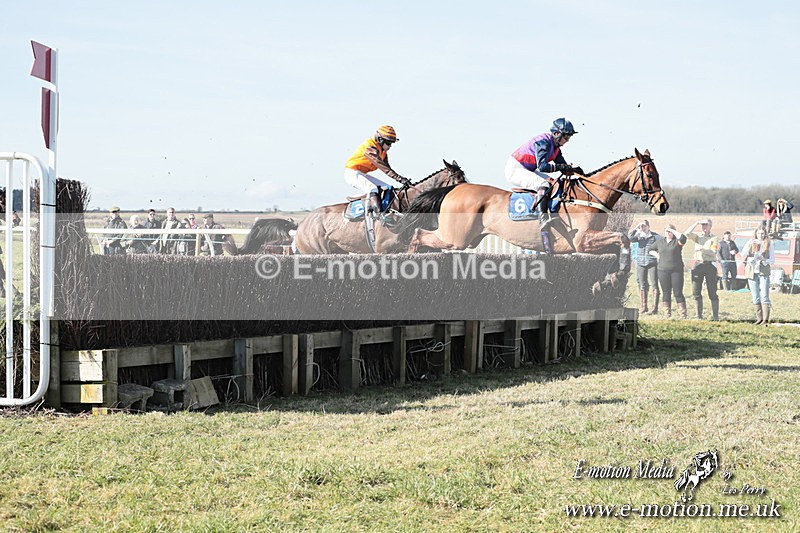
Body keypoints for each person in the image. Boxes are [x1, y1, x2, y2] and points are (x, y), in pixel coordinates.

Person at [505, 118, 584, 231]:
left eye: (569, 137)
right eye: (566, 136)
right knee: (543, 184)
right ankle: (543, 218)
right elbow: (543, 167)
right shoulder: (543, 143)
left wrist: (575, 170)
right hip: (515, 168)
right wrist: (562, 167)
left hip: (528, 168)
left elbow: (563, 167)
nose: (567, 140)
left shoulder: (556, 148)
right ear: (557, 134)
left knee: (552, 183)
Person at [344, 125, 411, 218]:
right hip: (352, 173)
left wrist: (402, 179)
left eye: (391, 143)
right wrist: (400, 179)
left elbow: (388, 168)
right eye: (388, 143)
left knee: (387, 188)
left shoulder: (383, 151)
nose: (390, 146)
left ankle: (385, 210)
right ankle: (377, 216)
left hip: (361, 173)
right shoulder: (370, 148)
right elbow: (383, 167)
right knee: (373, 189)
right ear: (380, 139)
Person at [684, 218, 720, 320]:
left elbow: (713, 251)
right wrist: (695, 223)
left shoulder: (714, 238)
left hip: (709, 265)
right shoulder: (698, 237)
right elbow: (686, 233)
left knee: (712, 292)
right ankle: (699, 316)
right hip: (698, 264)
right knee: (696, 291)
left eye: (706, 225)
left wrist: (702, 249)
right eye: (703, 225)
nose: (704, 227)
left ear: (710, 226)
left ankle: (715, 316)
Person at [653, 224, 688, 318]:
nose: (668, 233)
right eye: (667, 231)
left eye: (670, 231)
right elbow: (650, 249)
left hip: (676, 270)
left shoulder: (677, 242)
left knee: (678, 292)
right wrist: (657, 255)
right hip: (662, 270)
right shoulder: (660, 242)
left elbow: (683, 238)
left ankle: (683, 314)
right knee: (666, 292)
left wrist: (673, 230)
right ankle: (667, 313)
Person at [741, 227, 774, 325]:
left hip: (763, 271)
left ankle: (765, 320)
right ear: (756, 234)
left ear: (765, 234)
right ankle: (759, 318)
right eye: (759, 233)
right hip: (752, 271)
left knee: (764, 295)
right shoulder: (751, 243)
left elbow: (772, 260)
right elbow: (743, 254)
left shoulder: (768, 244)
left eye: (762, 233)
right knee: (755, 296)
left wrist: (763, 259)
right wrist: (748, 244)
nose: (761, 235)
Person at [628, 220, 660, 315]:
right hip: (640, 262)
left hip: (652, 262)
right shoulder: (638, 237)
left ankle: (654, 308)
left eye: (644, 226)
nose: (643, 228)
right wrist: (636, 228)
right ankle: (644, 306)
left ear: (648, 226)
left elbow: (662, 242)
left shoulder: (654, 236)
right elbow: (629, 237)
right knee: (642, 284)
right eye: (641, 226)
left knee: (654, 284)